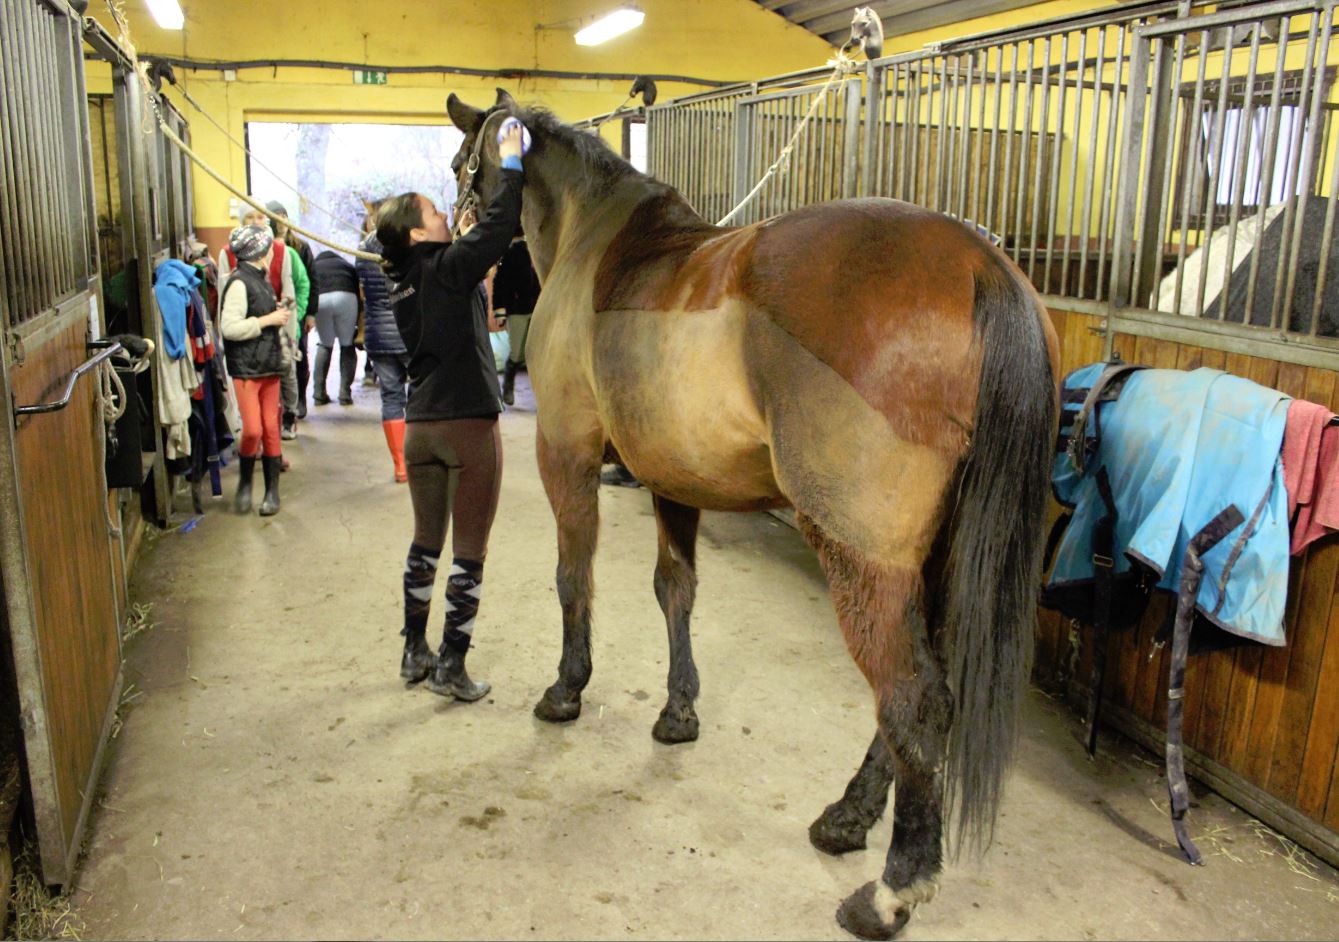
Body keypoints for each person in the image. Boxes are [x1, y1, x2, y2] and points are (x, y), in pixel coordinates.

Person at [376, 120, 525, 700]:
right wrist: (510, 160)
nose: (444, 214)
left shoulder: (404, 278)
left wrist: (460, 240)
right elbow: (501, 224)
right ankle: (452, 667)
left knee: (425, 543)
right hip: (468, 427)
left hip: (422, 428)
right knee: (469, 552)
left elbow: (458, 264)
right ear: (417, 233)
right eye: (434, 212)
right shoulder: (446, 267)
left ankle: (415, 651)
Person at [218, 225, 291, 516]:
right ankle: (245, 484)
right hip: (247, 368)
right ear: (259, 253)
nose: (272, 253)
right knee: (252, 430)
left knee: (271, 429)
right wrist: (268, 320)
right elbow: (229, 327)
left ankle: (272, 492)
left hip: (269, 364)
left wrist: (276, 315)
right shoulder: (239, 283)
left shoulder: (260, 279)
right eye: (269, 249)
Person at [356, 203, 410, 483]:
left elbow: (363, 291)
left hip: (377, 334)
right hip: (408, 331)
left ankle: (400, 466)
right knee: (420, 395)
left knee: (391, 397)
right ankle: (419, 457)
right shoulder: (407, 246)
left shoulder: (363, 251)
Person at [265, 201, 319, 438]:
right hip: (271, 315)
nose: (281, 221)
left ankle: (298, 403)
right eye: (276, 217)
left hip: (295, 315)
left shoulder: (300, 248)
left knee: (299, 359)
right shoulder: (262, 249)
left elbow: (310, 282)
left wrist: (307, 313)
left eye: (284, 215)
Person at [491, 231, 541, 406]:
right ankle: (508, 385)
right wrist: (500, 310)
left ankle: (540, 392)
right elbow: (499, 283)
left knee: (536, 351)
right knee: (517, 353)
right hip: (518, 309)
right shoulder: (509, 253)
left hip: (536, 307)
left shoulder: (536, 249)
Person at [311, 248, 361, 407]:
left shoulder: (314, 265)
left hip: (321, 298)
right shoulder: (346, 265)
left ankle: (319, 394)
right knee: (347, 345)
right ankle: (344, 393)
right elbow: (358, 291)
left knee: (325, 344)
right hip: (346, 297)